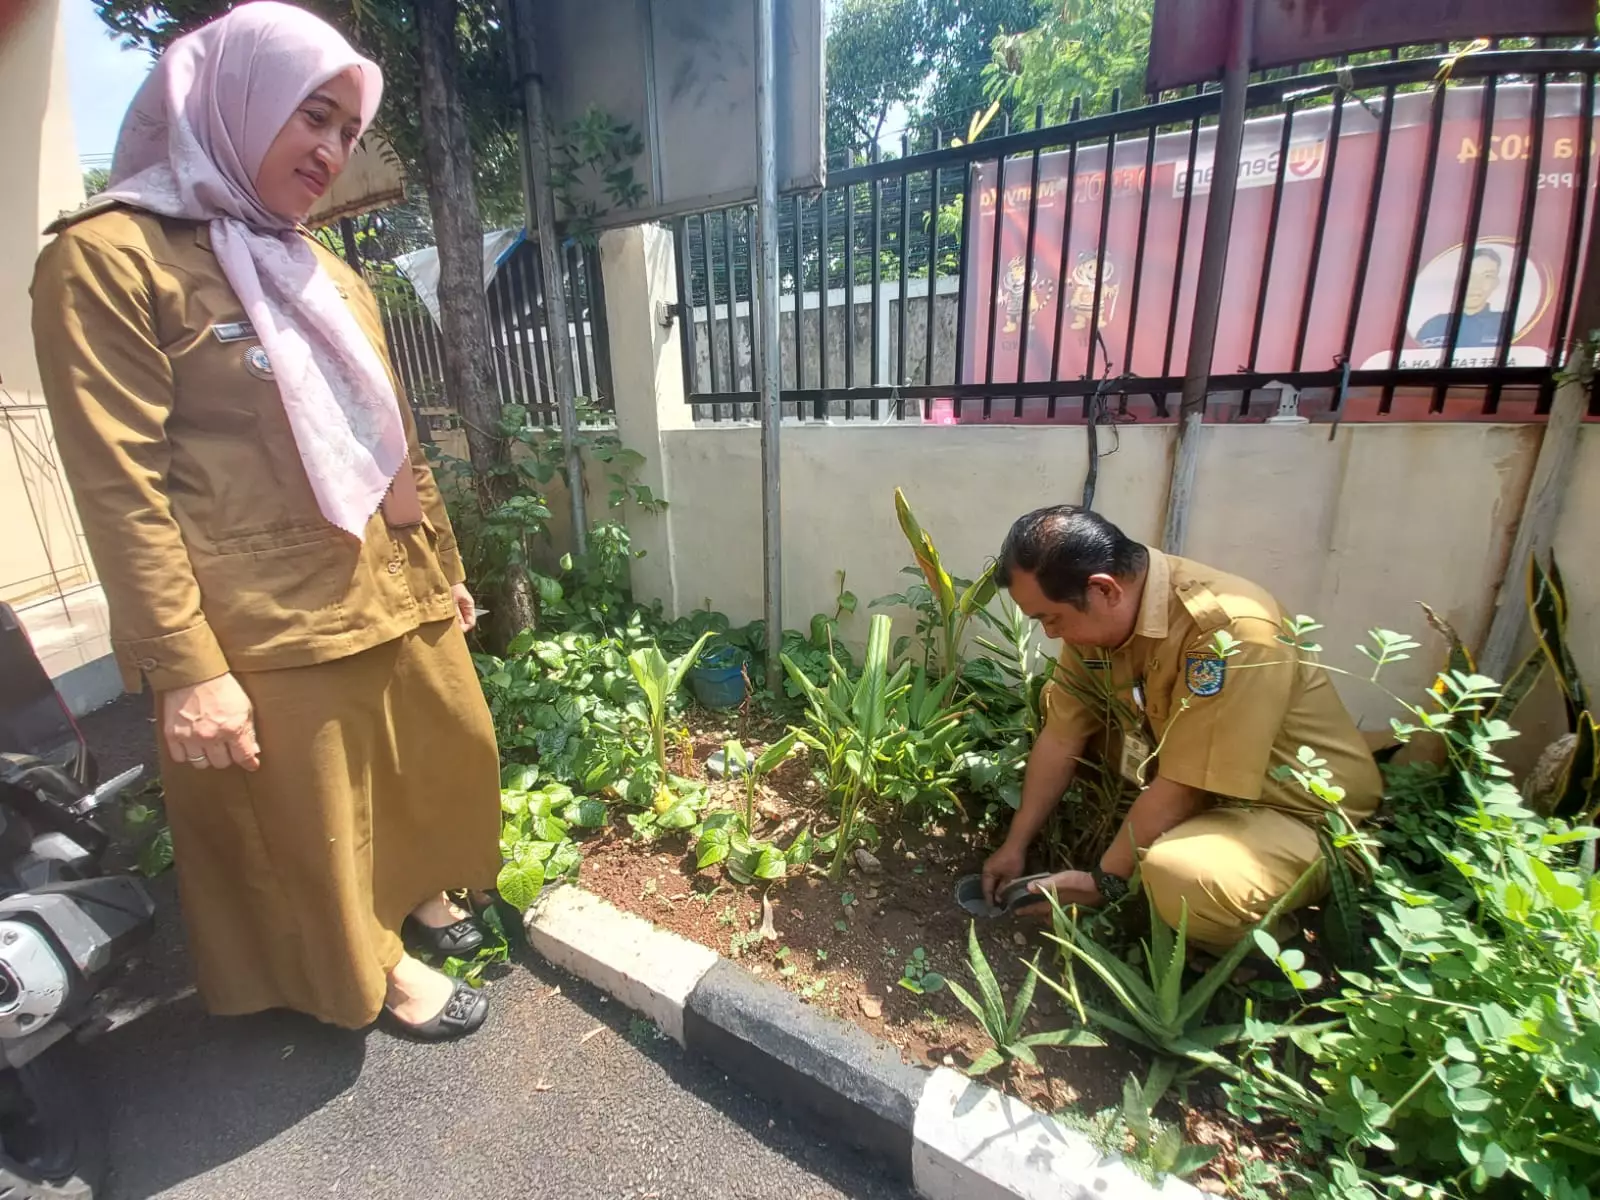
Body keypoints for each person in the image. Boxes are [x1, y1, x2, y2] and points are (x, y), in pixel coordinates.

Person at [30, 2, 501, 1040]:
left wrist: (439, 562)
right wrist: (187, 668)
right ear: (231, 103)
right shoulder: (110, 258)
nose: (333, 150)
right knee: (308, 816)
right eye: (312, 117)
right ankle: (366, 968)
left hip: (390, 573)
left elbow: (390, 431)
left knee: (422, 754)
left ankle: (415, 894)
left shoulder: (321, 266)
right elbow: (120, 481)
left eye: (346, 127)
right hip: (260, 613)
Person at [981, 507, 1382, 951]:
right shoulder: (1098, 623)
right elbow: (1062, 735)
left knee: (1180, 877)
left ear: (1103, 589)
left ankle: (1273, 955)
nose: (1052, 635)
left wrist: (1105, 882)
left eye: (1050, 619)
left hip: (1297, 813)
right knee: (1057, 703)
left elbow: (1187, 783)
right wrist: (1015, 845)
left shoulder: (1229, 631)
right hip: (1196, 785)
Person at [1416, 248, 1505, 350]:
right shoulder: (1433, 326)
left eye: (1487, 276)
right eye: (1469, 275)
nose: (1475, 285)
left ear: (1496, 283)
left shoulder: (1505, 323)